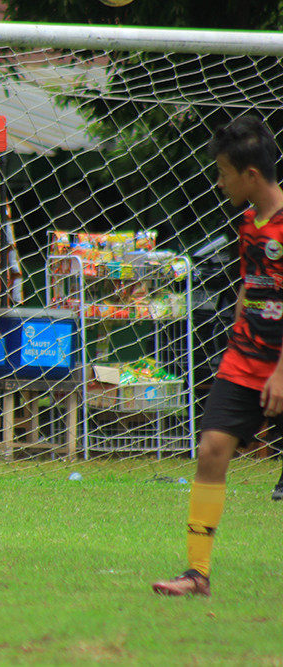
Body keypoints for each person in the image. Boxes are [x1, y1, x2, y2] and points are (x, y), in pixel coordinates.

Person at [152, 114, 283, 596]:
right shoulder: (250, 223)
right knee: (210, 452)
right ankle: (196, 574)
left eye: (223, 172)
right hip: (245, 361)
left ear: (250, 175)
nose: (219, 181)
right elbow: (252, 285)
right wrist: (237, 335)